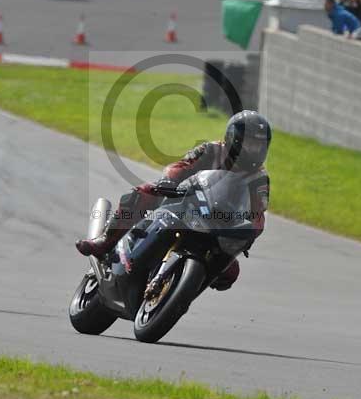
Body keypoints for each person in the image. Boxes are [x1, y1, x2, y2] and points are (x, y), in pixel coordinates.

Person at [75, 110, 271, 291]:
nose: (254, 150)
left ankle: (181, 288)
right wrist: (169, 181)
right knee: (142, 193)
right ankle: (105, 241)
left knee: (230, 273)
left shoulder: (259, 177)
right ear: (233, 138)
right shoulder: (211, 150)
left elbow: (258, 212)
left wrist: (250, 230)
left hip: (219, 224)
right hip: (185, 201)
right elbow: (182, 165)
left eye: (259, 145)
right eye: (250, 144)